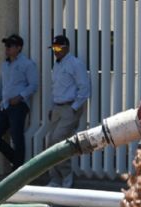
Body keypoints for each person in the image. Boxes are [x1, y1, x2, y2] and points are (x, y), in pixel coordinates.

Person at [44, 35, 90, 188]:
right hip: (57, 108)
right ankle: (55, 179)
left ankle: (67, 175)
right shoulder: (56, 65)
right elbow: (55, 88)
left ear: (66, 48)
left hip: (69, 108)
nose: (55, 51)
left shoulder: (75, 64)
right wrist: (52, 107)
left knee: (58, 140)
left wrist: (74, 108)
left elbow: (84, 88)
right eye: (53, 48)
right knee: (50, 142)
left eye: (58, 48)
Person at [0, 34, 38, 172]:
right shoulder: (5, 65)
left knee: (17, 137)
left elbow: (33, 85)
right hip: (4, 106)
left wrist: (20, 97)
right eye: (6, 45)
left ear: (19, 48)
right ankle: (17, 162)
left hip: (18, 106)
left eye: (10, 46)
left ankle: (17, 170)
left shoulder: (27, 64)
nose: (7, 48)